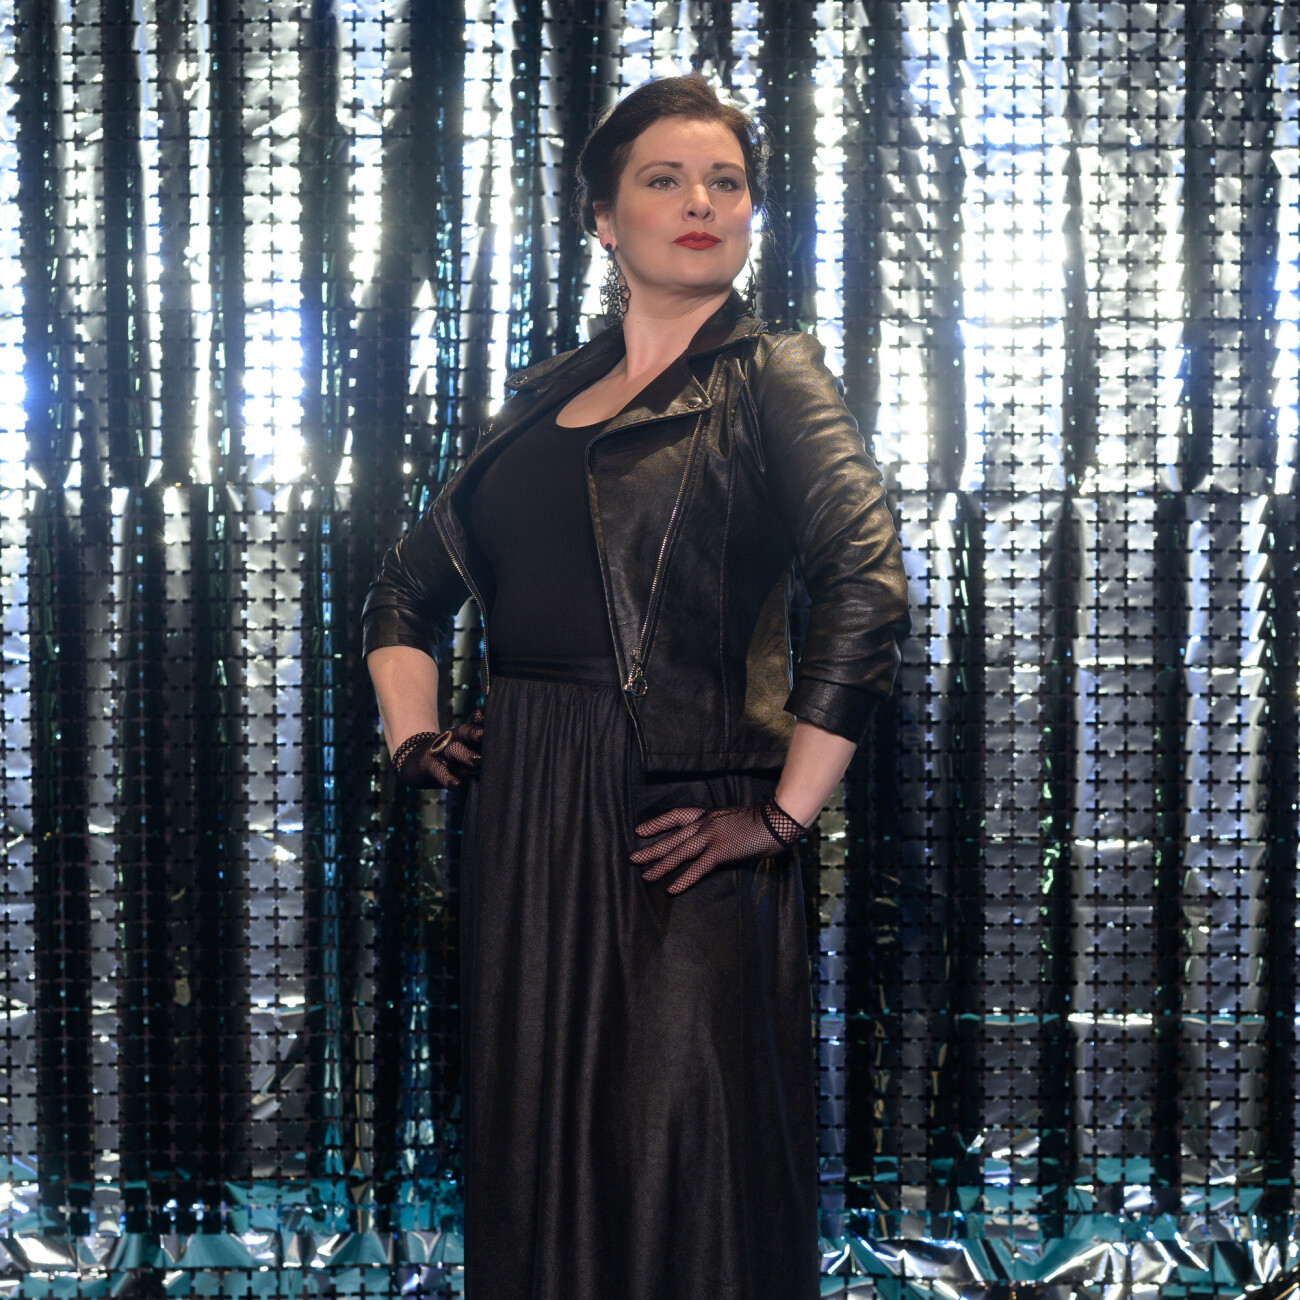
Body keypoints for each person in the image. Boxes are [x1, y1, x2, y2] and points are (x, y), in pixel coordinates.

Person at [362, 71, 910, 1300]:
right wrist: (414, 738)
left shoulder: (770, 374)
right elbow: (405, 590)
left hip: (677, 817)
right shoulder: (543, 397)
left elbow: (867, 585)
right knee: (541, 1139)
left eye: (726, 182)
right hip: (525, 812)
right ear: (604, 219)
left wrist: (782, 816)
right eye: (664, 180)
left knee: (689, 1153)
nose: (701, 202)